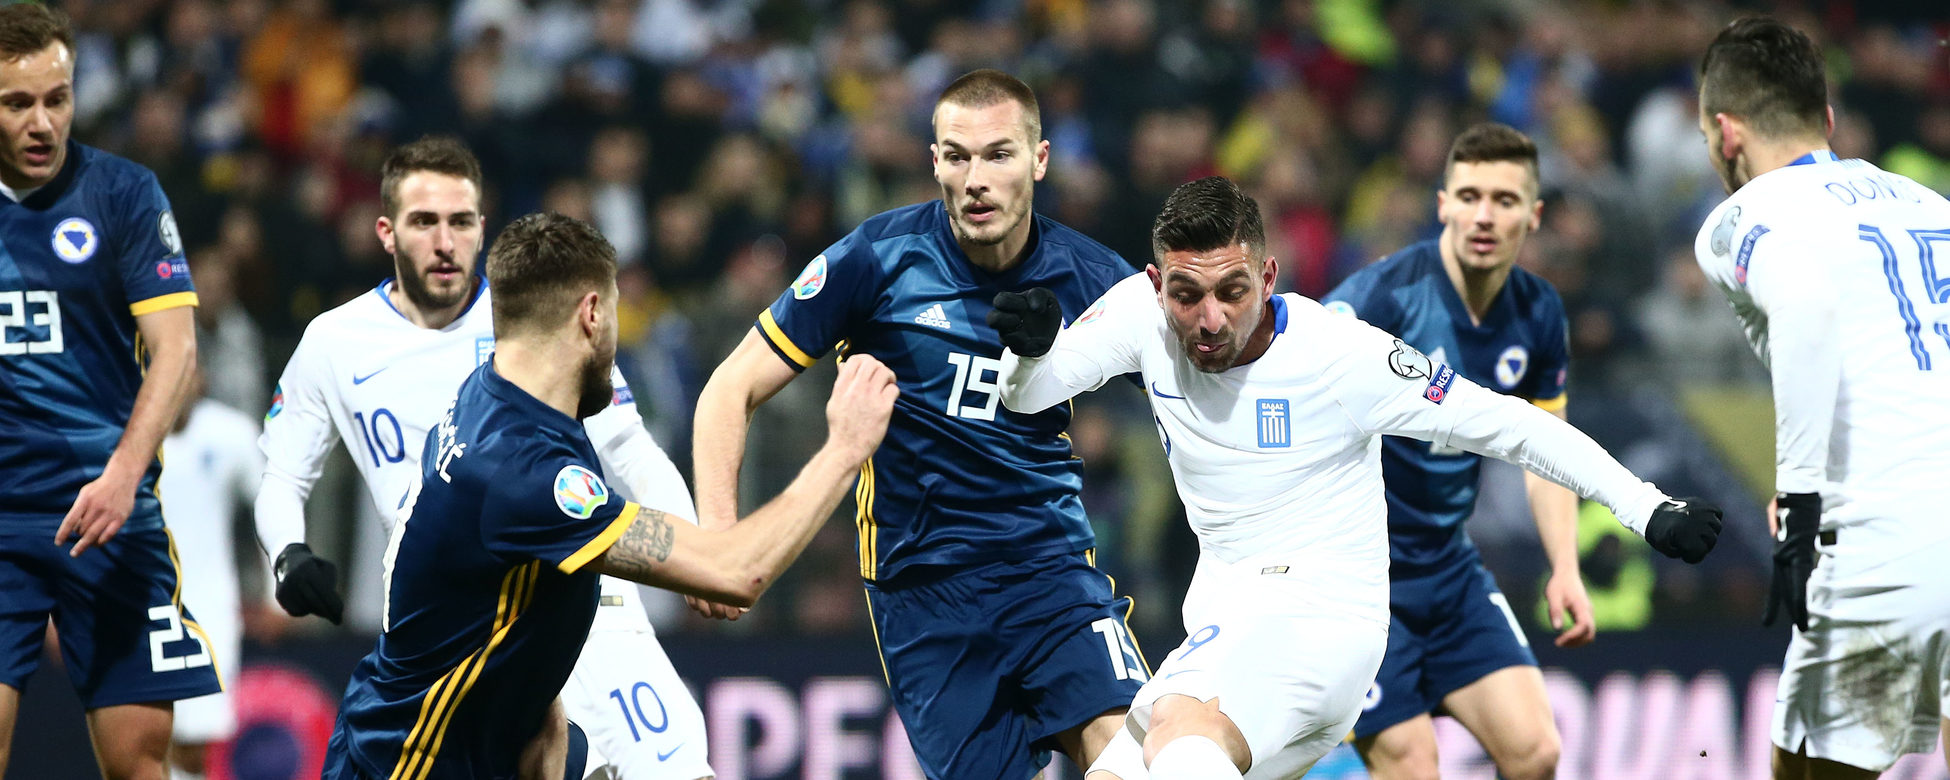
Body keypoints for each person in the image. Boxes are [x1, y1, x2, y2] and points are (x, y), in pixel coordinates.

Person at [992, 176, 1725, 779]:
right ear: (1157, 285)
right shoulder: (1138, 317)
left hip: (1323, 617)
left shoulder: (1340, 357)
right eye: (1187, 295)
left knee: (1182, 733)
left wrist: (1645, 505)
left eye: (1233, 291)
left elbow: (1511, 424)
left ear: (1268, 277)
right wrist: (1028, 354)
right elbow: (1030, 395)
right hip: (1225, 623)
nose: (1210, 318)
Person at [322, 211, 898, 780]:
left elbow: (516, 631)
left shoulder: (494, 395)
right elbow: (734, 572)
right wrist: (845, 450)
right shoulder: (524, 476)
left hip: (454, 736)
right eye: (618, 310)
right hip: (410, 764)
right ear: (592, 314)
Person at [691, 68, 1145, 778]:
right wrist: (716, 539)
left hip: (1050, 568)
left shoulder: (1092, 276)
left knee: (1137, 759)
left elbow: (1193, 385)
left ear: (1039, 160)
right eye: (957, 156)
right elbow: (729, 387)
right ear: (934, 161)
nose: (976, 180)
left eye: (998, 154)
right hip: (923, 594)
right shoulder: (876, 259)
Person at [254, 137, 717, 778]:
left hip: (580, 587)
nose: (445, 242)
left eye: (461, 221)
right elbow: (282, 476)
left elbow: (632, 448)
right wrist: (288, 554)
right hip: (456, 628)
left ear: (482, 225)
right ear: (387, 232)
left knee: (680, 770)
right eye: (424, 222)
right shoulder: (333, 342)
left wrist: (692, 551)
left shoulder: (535, 319)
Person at [1691, 17, 1950, 779]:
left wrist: (1802, 496)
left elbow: (1805, 304)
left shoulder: (1746, 215)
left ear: (1725, 133)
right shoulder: (1930, 204)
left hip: (1886, 532)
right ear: (1828, 120)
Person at [1322, 122, 1582, 780]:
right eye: (1469, 196)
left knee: (1536, 752)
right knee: (1412, 763)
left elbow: (1547, 451)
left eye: (1503, 199)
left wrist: (1564, 566)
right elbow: (1297, 379)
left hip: (1447, 567)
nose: (1484, 215)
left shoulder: (1539, 312)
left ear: (1533, 215)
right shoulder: (1383, 297)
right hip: (1360, 582)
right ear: (1443, 205)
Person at [0, 5, 221, 778]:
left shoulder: (124, 192)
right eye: (16, 103)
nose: (42, 122)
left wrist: (124, 475)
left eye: (56, 99)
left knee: (138, 762)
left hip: (109, 513)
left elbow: (177, 351)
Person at [158, 369, 267, 780]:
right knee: (141, 736)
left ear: (201, 380)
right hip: (137, 607)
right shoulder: (123, 436)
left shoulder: (231, 433)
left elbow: (270, 507)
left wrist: (277, 592)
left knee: (195, 740)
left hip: (209, 609)